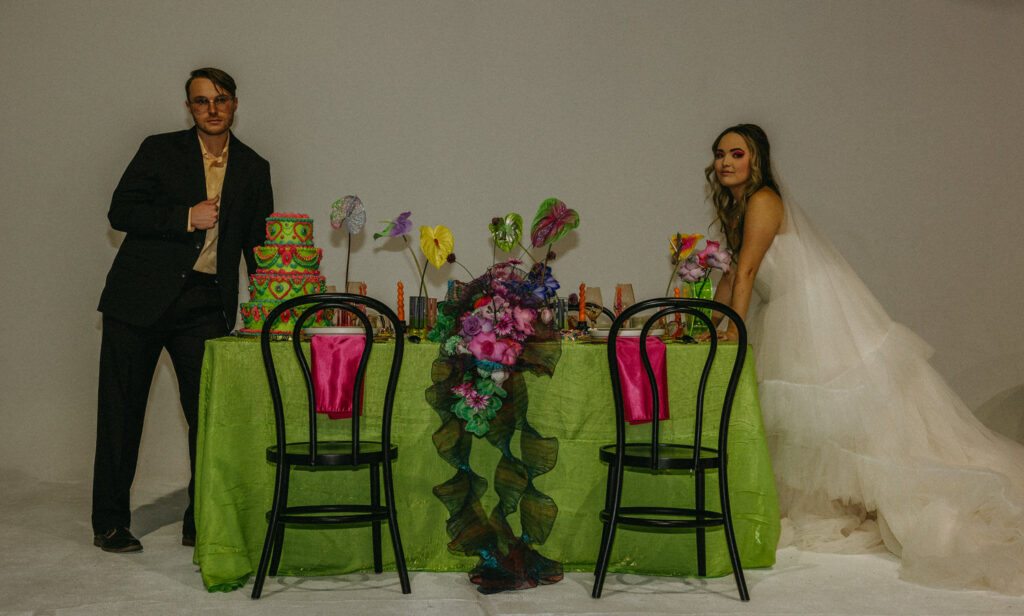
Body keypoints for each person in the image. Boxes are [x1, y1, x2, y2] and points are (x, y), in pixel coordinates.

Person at [701, 123, 1024, 594]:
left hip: (813, 314)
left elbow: (749, 270)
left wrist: (734, 331)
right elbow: (732, 277)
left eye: (737, 153)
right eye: (719, 154)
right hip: (792, 313)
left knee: (843, 415)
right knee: (815, 422)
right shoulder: (740, 208)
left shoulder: (764, 200)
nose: (725, 161)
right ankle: (838, 499)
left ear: (757, 160)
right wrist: (706, 322)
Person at [93, 68, 273, 552]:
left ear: (235, 103)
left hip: (204, 303)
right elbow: (120, 211)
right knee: (120, 413)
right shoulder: (160, 149)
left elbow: (260, 247)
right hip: (138, 299)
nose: (211, 109)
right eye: (200, 102)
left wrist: (269, 308)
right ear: (188, 108)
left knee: (208, 416)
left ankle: (201, 518)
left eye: (220, 99)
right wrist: (184, 217)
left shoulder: (255, 167)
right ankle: (109, 522)